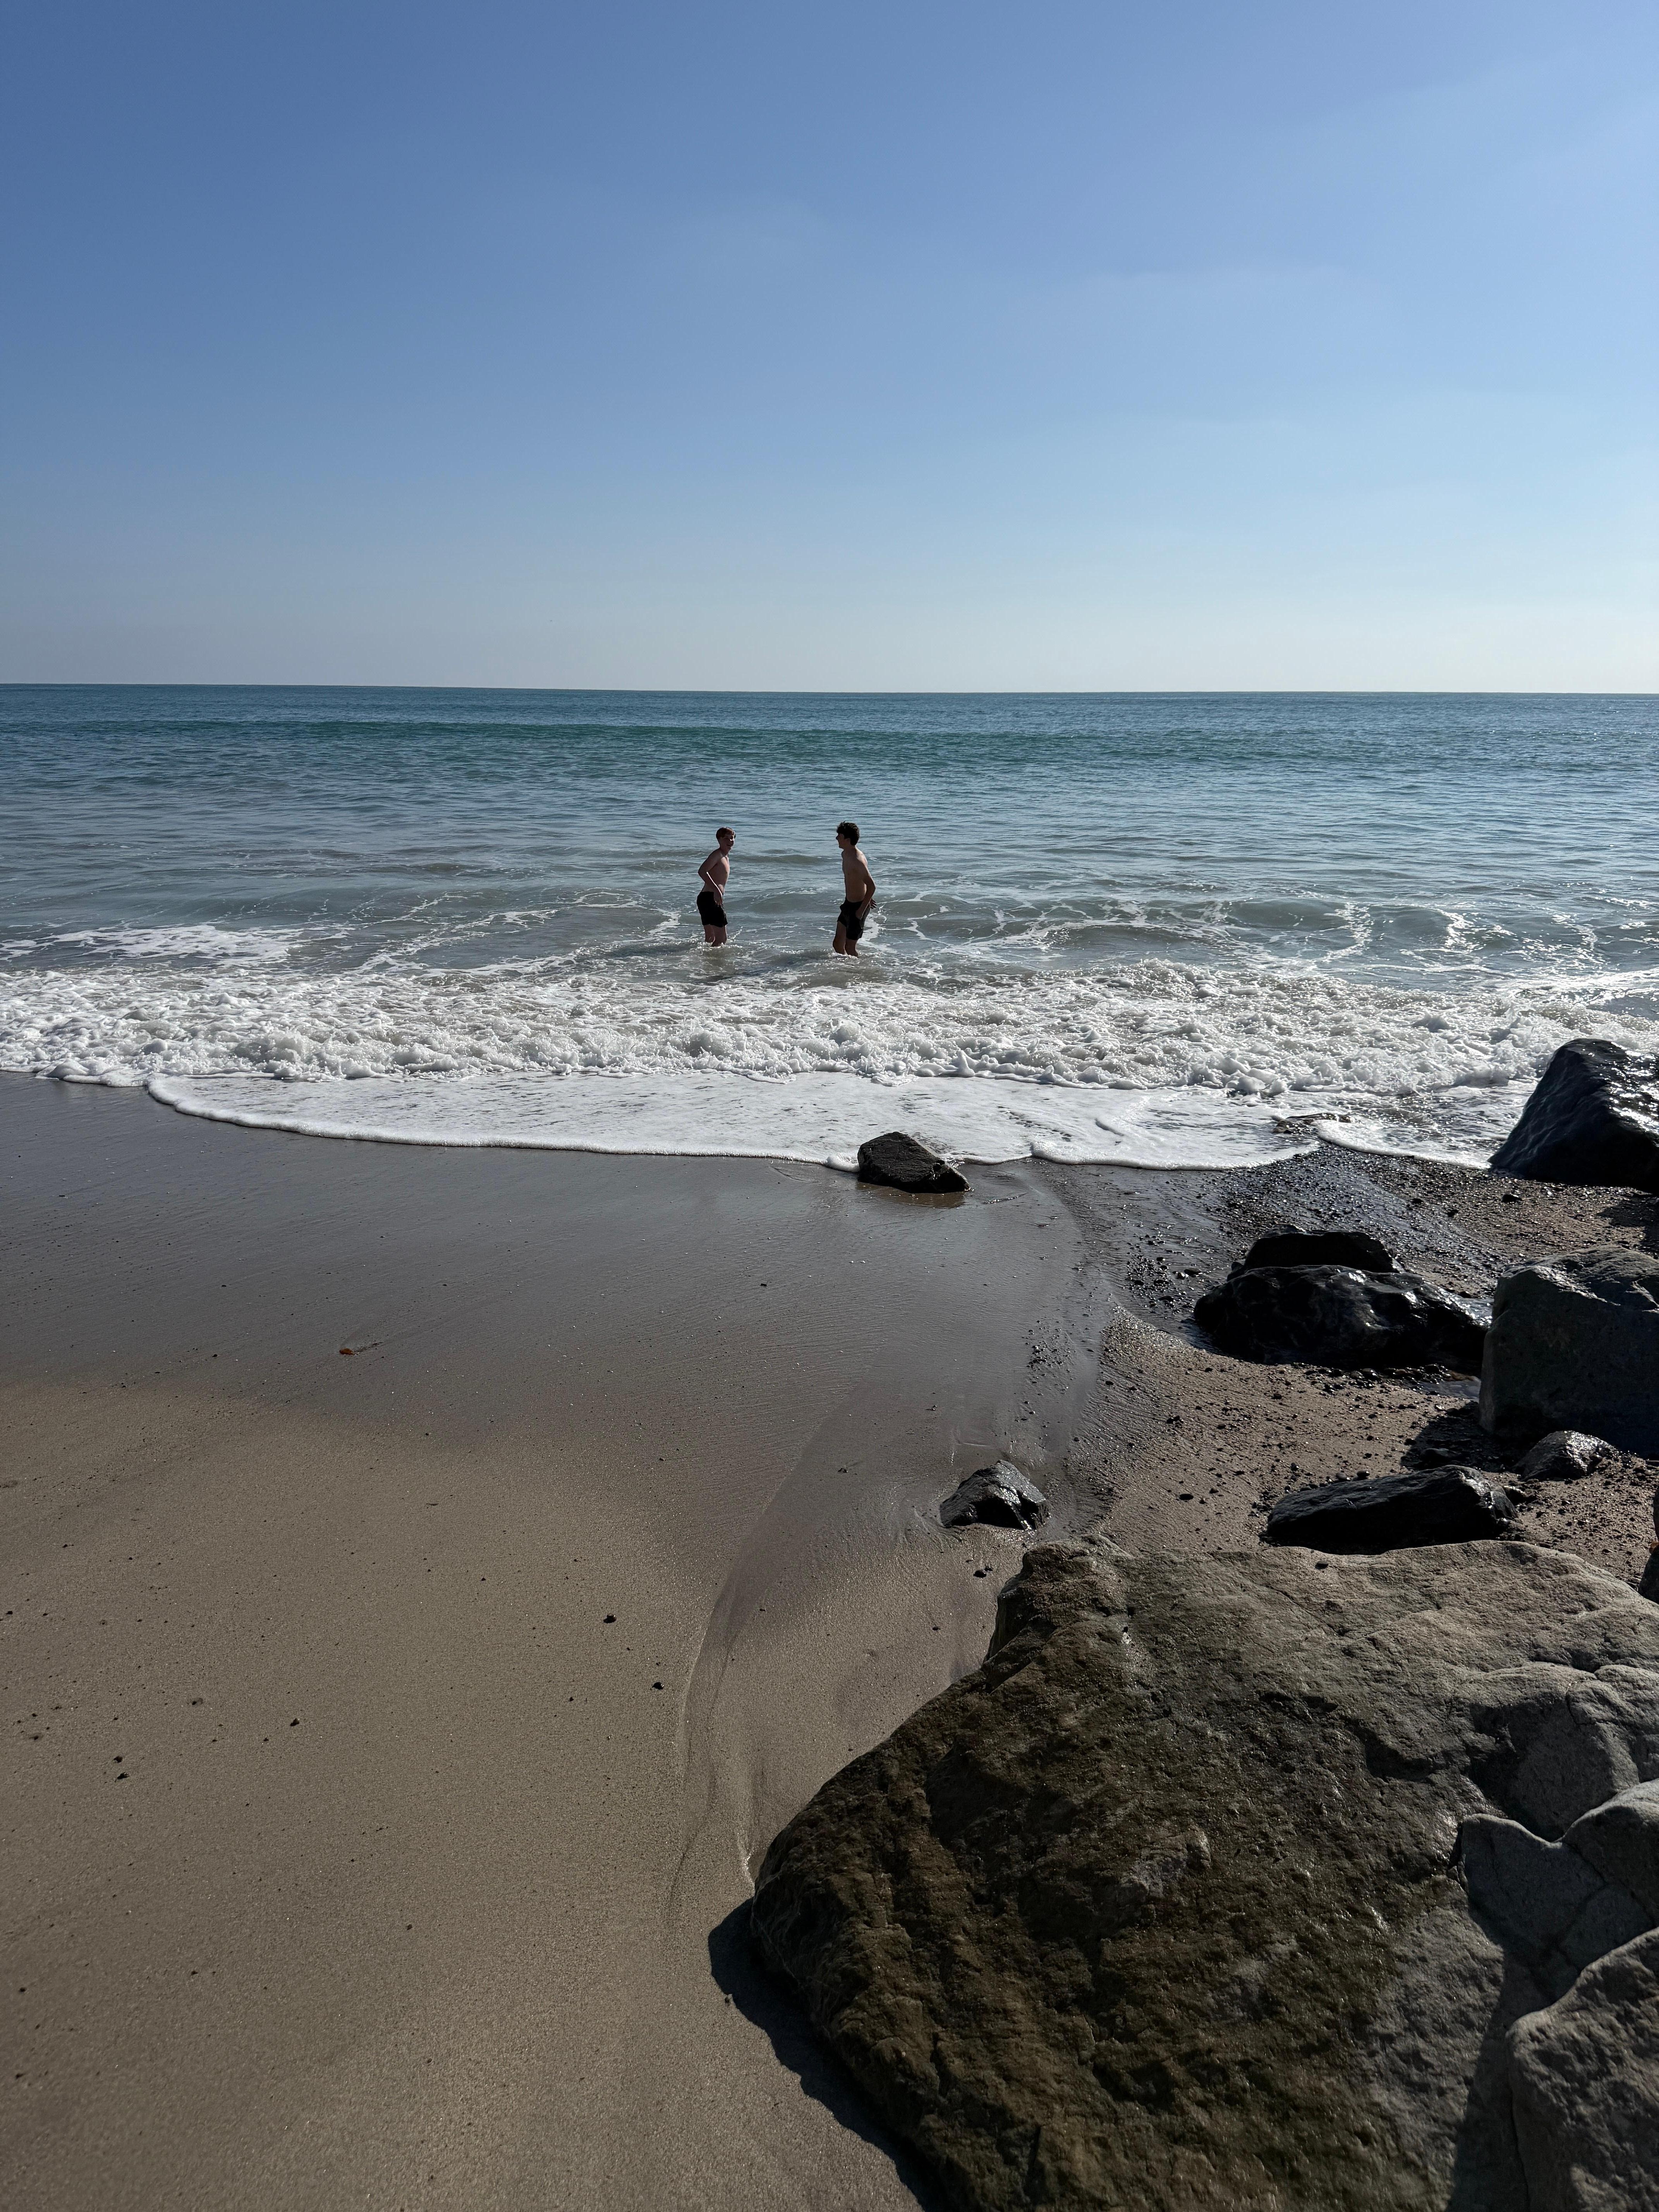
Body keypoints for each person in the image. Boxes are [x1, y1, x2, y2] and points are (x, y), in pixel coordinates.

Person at [833, 821, 875, 956]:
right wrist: (867, 895)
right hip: (848, 904)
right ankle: (847, 970)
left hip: (858, 908)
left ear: (848, 840)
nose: (836, 838)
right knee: (838, 944)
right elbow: (858, 880)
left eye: (839, 836)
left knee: (850, 948)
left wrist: (861, 910)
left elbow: (872, 886)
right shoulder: (845, 854)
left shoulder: (858, 860)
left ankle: (859, 972)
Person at [696, 827, 735, 944]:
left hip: (705, 898)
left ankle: (704, 961)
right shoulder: (718, 855)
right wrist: (717, 891)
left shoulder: (725, 856)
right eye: (726, 838)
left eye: (732, 838)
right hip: (711, 898)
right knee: (722, 939)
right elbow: (702, 871)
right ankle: (715, 962)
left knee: (710, 939)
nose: (730, 841)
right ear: (719, 840)